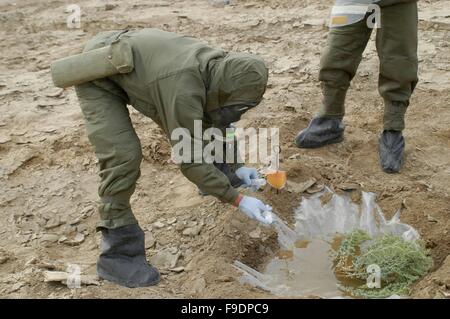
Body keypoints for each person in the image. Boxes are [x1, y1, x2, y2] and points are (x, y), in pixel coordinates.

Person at [51, 28, 271, 288]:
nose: (237, 113)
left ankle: (218, 178)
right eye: (235, 105)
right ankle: (117, 251)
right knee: (123, 155)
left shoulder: (221, 71)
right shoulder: (184, 89)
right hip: (102, 73)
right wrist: (238, 199)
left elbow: (220, 120)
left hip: (146, 71)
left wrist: (237, 166)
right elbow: (189, 158)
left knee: (206, 122)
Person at [294, 0, 418, 173]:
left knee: (398, 62)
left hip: (397, 2)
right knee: (335, 56)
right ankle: (330, 120)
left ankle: (393, 130)